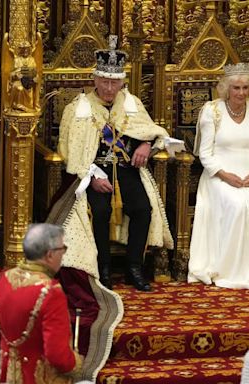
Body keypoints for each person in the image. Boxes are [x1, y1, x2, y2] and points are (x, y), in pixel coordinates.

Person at [57, 35, 173, 291]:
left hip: (126, 169)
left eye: (114, 83)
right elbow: (71, 150)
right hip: (92, 174)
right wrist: (93, 176)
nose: (110, 88)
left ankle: (134, 268)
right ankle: (104, 268)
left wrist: (146, 145)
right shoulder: (79, 107)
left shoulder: (131, 104)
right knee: (99, 212)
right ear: (95, 80)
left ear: (122, 82)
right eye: (105, 82)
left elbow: (153, 131)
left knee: (143, 209)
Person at [188, 62, 249, 289]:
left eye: (245, 88)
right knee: (237, 205)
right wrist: (225, 175)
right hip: (218, 175)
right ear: (226, 89)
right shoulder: (213, 111)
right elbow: (205, 154)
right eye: (236, 88)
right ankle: (228, 269)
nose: (241, 93)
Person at [0, 223, 82, 384]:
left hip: (7, 375)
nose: (63, 255)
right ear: (50, 254)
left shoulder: (2, 280)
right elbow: (57, 354)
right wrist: (75, 364)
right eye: (62, 249)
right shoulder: (51, 291)